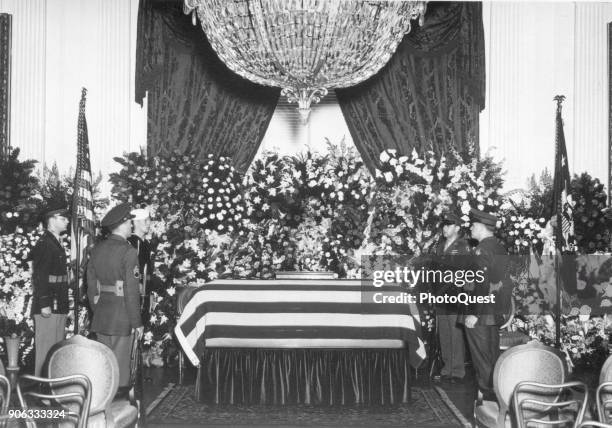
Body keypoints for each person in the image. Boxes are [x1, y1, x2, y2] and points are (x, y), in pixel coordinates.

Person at [87, 203, 143, 391]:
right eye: (130, 223)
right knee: (120, 370)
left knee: (104, 368)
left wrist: (99, 308)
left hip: (102, 314)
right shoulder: (129, 251)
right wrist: (137, 322)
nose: (132, 227)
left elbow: (92, 288)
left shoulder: (96, 249)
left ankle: (101, 407)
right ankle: (119, 412)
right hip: (122, 317)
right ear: (122, 225)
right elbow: (132, 291)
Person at [461, 208, 512, 402]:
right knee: (491, 360)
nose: (471, 228)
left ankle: (489, 408)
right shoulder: (499, 247)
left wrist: (474, 313)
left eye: (473, 225)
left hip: (481, 314)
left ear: (481, 227)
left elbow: (481, 284)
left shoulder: (482, 250)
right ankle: (496, 402)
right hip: (493, 312)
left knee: (482, 363)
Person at [30, 204, 71, 376]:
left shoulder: (54, 242)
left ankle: (52, 387)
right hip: (48, 304)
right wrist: (44, 303)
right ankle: (43, 388)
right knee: (47, 349)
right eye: (63, 218)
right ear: (51, 221)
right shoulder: (45, 244)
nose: (67, 221)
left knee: (56, 348)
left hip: (58, 301)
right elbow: (40, 276)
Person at [434, 211, 470, 384]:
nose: (444, 228)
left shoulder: (462, 245)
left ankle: (457, 371)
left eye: (448, 225)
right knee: (444, 332)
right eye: (443, 225)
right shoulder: (440, 245)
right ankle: (447, 368)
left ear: (457, 227)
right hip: (440, 294)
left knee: (455, 332)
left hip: (455, 293)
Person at [127, 207, 154, 317]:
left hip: (145, 290)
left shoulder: (145, 243)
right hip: (136, 291)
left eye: (149, 220)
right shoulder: (133, 242)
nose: (149, 224)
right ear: (136, 222)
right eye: (145, 221)